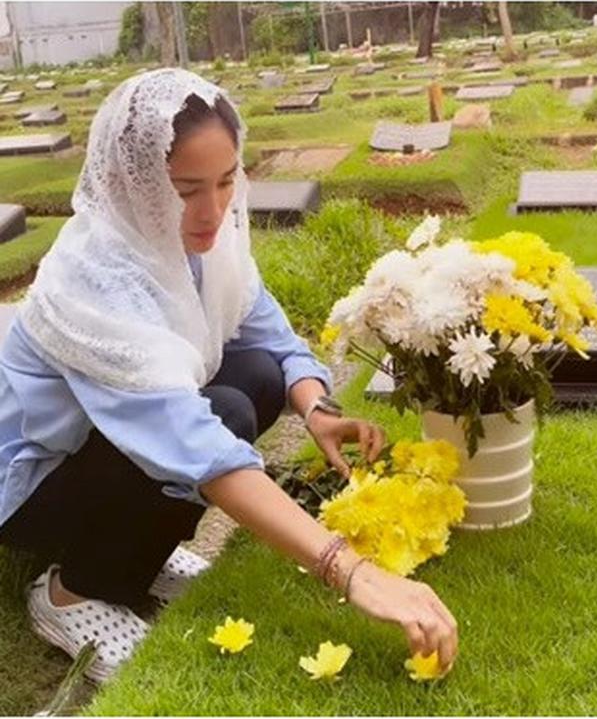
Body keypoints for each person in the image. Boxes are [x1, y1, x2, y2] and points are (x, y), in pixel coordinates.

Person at [0, 69, 457, 682]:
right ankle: (73, 593)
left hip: (98, 451)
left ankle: (139, 548)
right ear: (126, 182)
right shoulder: (91, 280)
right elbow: (199, 447)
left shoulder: (207, 242)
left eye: (225, 180)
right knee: (228, 414)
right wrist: (352, 571)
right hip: (31, 487)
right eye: (186, 190)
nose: (212, 211)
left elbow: (270, 334)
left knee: (260, 374)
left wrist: (317, 408)